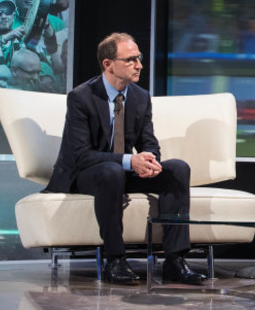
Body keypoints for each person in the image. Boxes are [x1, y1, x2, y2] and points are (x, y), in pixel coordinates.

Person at [42, 32, 203, 285]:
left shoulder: (139, 97)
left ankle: (175, 260)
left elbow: (149, 143)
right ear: (108, 64)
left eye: (139, 58)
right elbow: (82, 155)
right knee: (111, 171)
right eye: (131, 60)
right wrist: (130, 162)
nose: (139, 64)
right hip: (85, 173)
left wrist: (150, 162)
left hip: (119, 172)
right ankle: (114, 260)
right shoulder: (81, 97)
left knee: (178, 169)